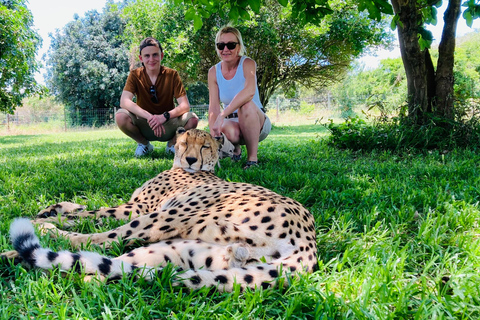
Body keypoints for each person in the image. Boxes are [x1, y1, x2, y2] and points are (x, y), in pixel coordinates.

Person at [117, 37, 198, 157]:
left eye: (155, 55)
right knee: (120, 116)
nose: (151, 59)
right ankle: (144, 144)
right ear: (141, 58)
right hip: (145, 124)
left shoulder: (172, 74)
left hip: (168, 125)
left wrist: (164, 117)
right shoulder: (135, 75)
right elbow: (124, 101)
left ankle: (172, 145)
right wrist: (149, 117)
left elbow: (185, 105)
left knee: (192, 119)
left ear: (162, 56)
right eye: (147, 56)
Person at [208, 26, 271, 169]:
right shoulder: (213, 72)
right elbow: (213, 107)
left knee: (246, 105)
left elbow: (249, 92)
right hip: (232, 122)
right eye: (221, 45)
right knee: (224, 128)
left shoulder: (248, 64)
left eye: (231, 45)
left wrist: (223, 114)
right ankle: (235, 149)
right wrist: (214, 132)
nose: (225, 49)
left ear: (238, 47)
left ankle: (252, 159)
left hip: (256, 120)